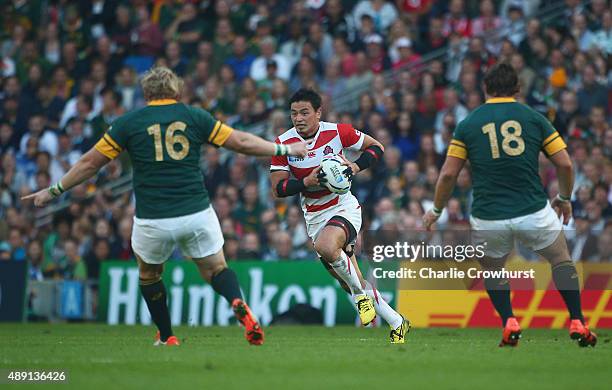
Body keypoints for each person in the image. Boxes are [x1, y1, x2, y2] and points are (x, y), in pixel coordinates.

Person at [22, 66, 308, 347]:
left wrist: (54, 190)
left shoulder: (128, 122)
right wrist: (285, 149)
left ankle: (167, 335)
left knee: (149, 275)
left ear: (146, 93)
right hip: (196, 212)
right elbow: (241, 142)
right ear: (177, 90)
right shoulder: (194, 116)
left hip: (153, 218)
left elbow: (90, 163)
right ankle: (236, 302)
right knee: (217, 269)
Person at [423, 63, 597, 348]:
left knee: (493, 269)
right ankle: (577, 319)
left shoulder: (468, 124)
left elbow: (448, 174)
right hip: (532, 209)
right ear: (518, 88)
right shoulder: (534, 118)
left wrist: (437, 210)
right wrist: (564, 198)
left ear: (485, 89)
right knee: (560, 259)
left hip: (488, 215)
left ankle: (509, 321)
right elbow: (564, 163)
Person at [269, 88, 409, 343]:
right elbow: (278, 188)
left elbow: (376, 148)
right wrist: (306, 182)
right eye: (293, 114)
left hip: (344, 207)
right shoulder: (283, 143)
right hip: (314, 217)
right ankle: (397, 322)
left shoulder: (337, 132)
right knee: (351, 282)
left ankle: (360, 299)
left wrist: (354, 166)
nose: (298, 118)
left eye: (304, 113)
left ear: (318, 112)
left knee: (327, 247)